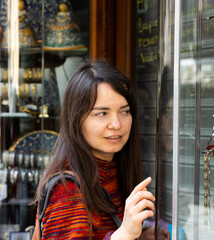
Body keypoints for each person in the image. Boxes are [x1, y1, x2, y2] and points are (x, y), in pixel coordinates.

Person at [33, 60, 170, 240]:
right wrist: (124, 235)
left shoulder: (116, 171)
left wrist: (139, 236)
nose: (116, 124)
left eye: (124, 111)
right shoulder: (67, 191)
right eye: (102, 113)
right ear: (76, 120)